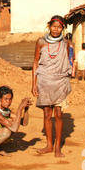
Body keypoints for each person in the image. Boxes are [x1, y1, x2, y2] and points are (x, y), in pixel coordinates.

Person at [31, 15, 71, 158]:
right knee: (47, 113)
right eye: (53, 26)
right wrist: (33, 83)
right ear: (49, 26)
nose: (56, 29)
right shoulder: (41, 42)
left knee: (58, 114)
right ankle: (49, 145)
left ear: (63, 28)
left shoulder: (65, 43)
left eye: (59, 27)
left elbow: (66, 63)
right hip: (44, 81)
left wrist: (66, 80)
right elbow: (36, 62)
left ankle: (58, 147)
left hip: (60, 82)